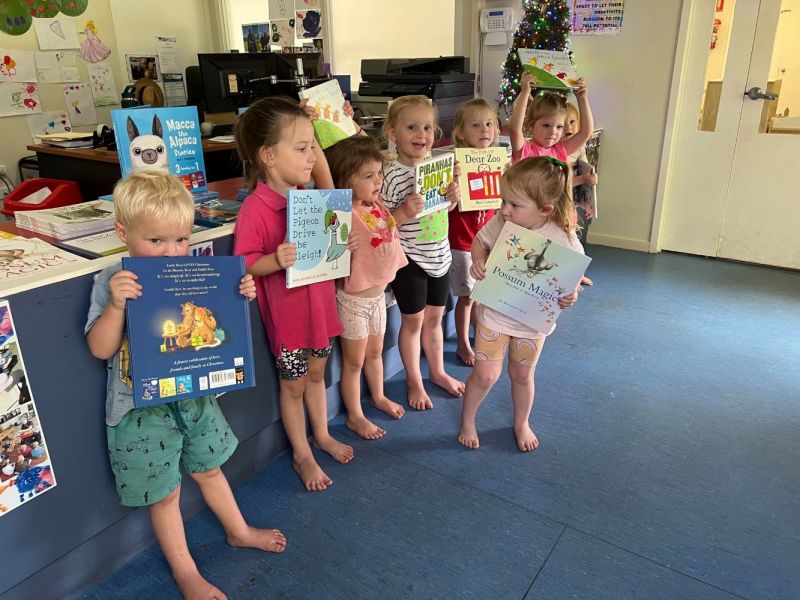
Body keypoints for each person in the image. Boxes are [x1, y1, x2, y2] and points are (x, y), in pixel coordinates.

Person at [85, 171, 286, 600]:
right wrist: (118, 304)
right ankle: (185, 573)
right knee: (165, 495)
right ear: (123, 232)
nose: (170, 251)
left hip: (195, 400)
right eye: (154, 241)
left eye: (180, 239)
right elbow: (101, 349)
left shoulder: (197, 269)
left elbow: (217, 332)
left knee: (210, 469)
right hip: (141, 413)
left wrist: (238, 293)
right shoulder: (112, 280)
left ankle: (238, 530)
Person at [233, 96, 354, 492]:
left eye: (311, 148)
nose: (310, 157)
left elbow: (329, 192)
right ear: (268, 155)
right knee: (294, 385)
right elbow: (245, 261)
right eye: (301, 149)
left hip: (319, 309)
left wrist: (339, 245)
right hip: (288, 319)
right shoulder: (256, 207)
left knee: (318, 373)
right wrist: (275, 259)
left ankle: (321, 434)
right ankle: (302, 452)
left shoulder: (310, 196)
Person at [459, 157, 582, 452]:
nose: (504, 209)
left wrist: (571, 295)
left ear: (546, 209)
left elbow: (570, 282)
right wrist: (477, 260)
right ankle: (467, 420)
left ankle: (521, 422)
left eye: (514, 205)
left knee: (523, 375)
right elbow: (480, 241)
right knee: (485, 374)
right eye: (504, 201)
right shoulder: (503, 221)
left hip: (531, 323)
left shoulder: (565, 240)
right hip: (494, 315)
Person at [380, 95, 465, 411]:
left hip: (440, 255)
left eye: (427, 127)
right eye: (412, 127)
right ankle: (415, 379)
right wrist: (402, 211)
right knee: (413, 322)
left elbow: (445, 207)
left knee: (435, 319)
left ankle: (438, 371)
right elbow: (377, 225)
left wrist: (453, 196)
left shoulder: (439, 166)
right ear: (393, 134)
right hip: (410, 258)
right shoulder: (390, 173)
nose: (421, 135)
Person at [325, 136, 408, 439]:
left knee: (375, 353)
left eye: (379, 174)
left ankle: (378, 395)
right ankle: (354, 416)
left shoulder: (376, 205)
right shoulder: (341, 214)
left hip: (380, 297)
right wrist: (342, 246)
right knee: (355, 361)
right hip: (353, 301)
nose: (378, 181)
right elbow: (330, 253)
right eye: (368, 176)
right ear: (344, 182)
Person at [448, 98, 502, 367]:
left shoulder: (498, 161)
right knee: (467, 297)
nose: (484, 130)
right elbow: (447, 205)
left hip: (489, 241)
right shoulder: (454, 164)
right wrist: (454, 182)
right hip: (462, 242)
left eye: (489, 124)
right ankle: (462, 343)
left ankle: (479, 335)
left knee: (483, 294)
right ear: (460, 132)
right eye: (476, 125)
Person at [509, 72, 594, 165]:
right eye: (546, 125)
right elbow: (515, 130)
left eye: (559, 127)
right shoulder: (524, 149)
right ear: (531, 126)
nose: (553, 131)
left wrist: (582, 99)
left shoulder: (560, 150)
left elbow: (586, 132)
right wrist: (525, 93)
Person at [564, 102, 598, 244]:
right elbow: (560, 182)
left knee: (571, 234)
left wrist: (591, 178)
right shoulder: (554, 150)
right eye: (562, 123)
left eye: (572, 121)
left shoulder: (579, 147)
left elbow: (586, 169)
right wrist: (584, 179)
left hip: (570, 200)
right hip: (556, 199)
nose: (568, 127)